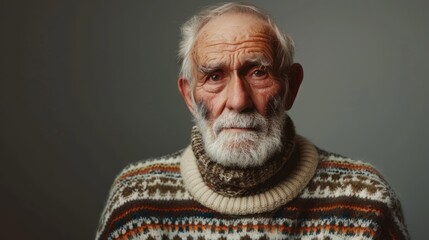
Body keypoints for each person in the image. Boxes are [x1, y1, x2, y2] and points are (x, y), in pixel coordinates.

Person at [96, 3, 409, 240]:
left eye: (259, 72)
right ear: (190, 96)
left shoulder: (364, 200)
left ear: (291, 86)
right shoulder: (137, 202)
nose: (238, 101)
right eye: (214, 76)